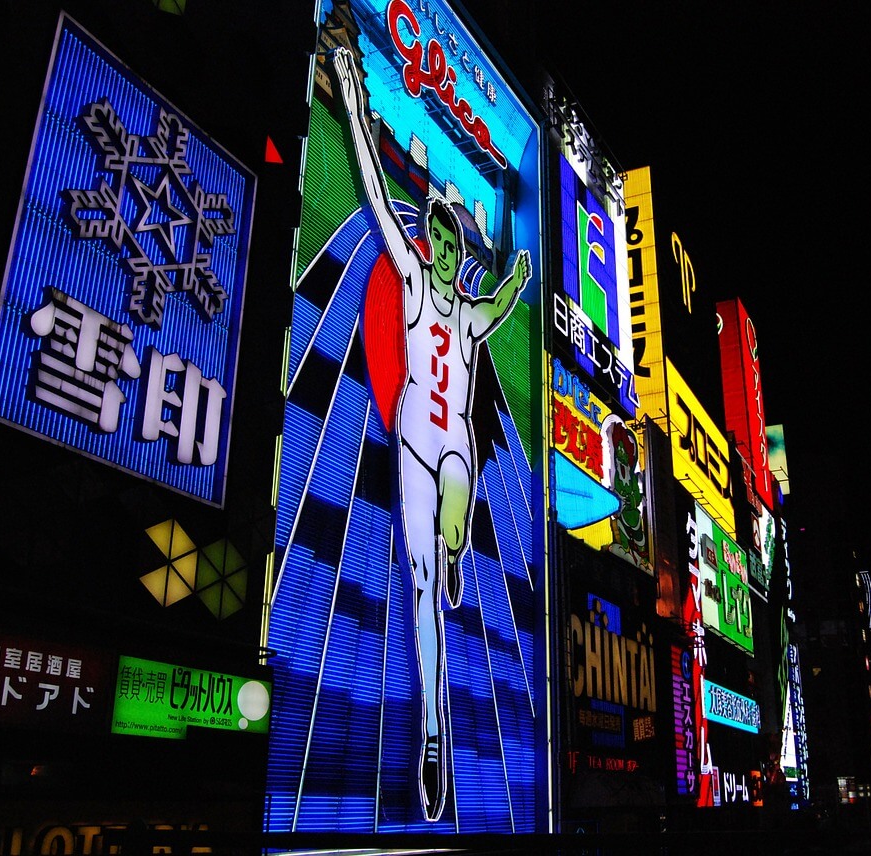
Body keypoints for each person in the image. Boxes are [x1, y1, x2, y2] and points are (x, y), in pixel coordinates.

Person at [332, 46, 531, 822]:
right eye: (439, 240)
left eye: (453, 245)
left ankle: (454, 547)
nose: (445, 251)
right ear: (431, 246)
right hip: (413, 446)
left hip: (453, 455)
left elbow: (504, 303)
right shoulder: (415, 283)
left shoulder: (468, 315)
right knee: (423, 595)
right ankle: (435, 735)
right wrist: (353, 93)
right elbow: (381, 199)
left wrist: (515, 279)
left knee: (457, 495)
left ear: (461, 255)